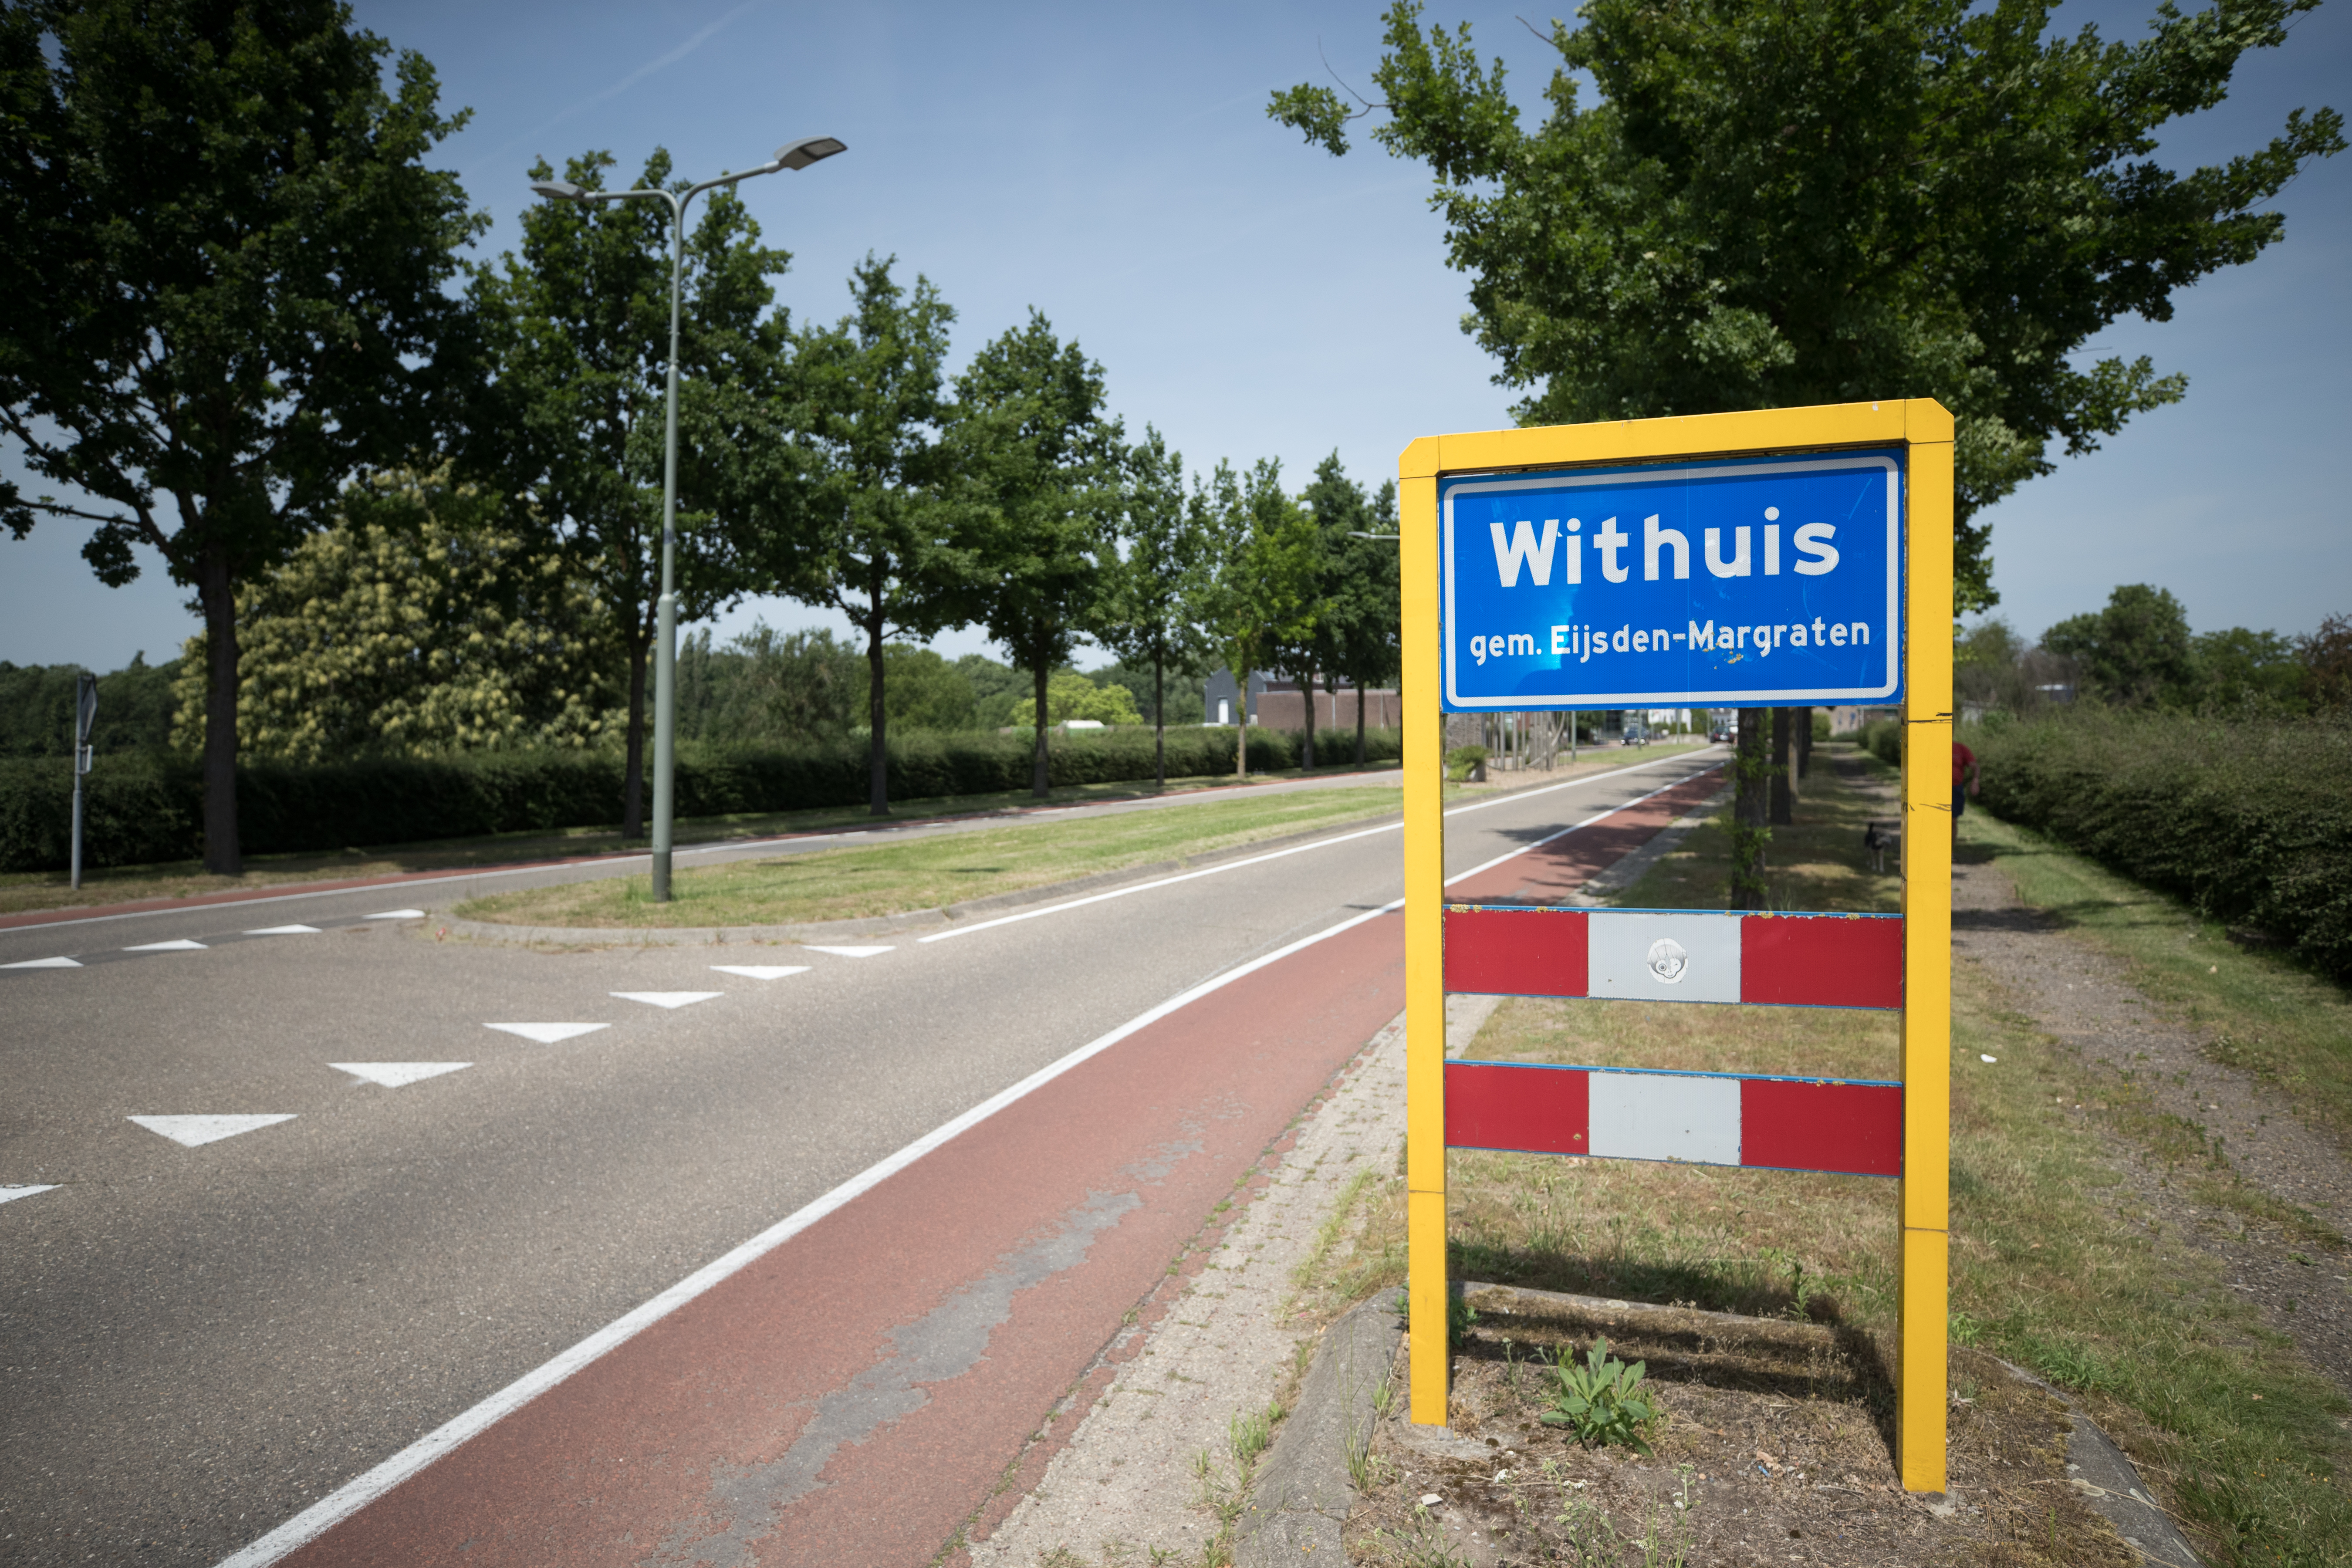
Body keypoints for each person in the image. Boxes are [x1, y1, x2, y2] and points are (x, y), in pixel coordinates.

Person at [1952, 738, 1979, 849]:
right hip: (1935, 788)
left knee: (1952, 821)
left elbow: (1975, 766)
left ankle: (1950, 852)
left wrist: (1975, 781)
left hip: (1955, 789)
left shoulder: (1960, 748)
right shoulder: (1933, 746)